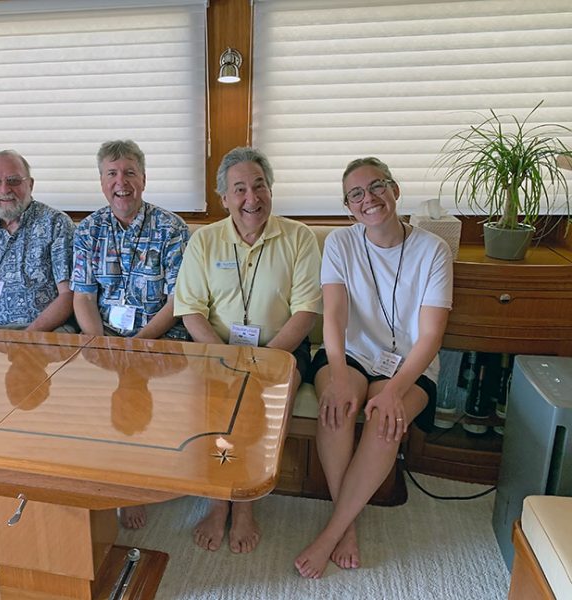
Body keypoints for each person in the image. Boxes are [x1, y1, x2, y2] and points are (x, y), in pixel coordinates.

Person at [294, 157, 453, 578]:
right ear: (349, 207)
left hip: (409, 363)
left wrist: (393, 390)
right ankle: (345, 524)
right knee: (337, 407)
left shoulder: (433, 250)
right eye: (357, 194)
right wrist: (339, 375)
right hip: (351, 353)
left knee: (386, 418)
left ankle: (333, 531)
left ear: (395, 190)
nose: (370, 199)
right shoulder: (340, 244)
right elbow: (334, 317)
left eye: (378, 186)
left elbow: (431, 336)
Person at [174, 146, 322, 554]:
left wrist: (262, 360)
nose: (251, 198)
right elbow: (191, 311)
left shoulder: (299, 238)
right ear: (224, 198)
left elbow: (306, 311)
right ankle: (219, 499)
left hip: (283, 350)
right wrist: (228, 359)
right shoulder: (204, 241)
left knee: (264, 400)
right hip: (215, 349)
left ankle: (244, 505)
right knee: (213, 403)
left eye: (259, 186)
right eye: (239, 189)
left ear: (271, 190)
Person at [71, 139, 190, 529]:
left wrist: (137, 345)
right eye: (111, 174)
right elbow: (83, 296)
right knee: (84, 391)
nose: (121, 182)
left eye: (129, 173)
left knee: (139, 386)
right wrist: (100, 344)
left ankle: (136, 484)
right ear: (102, 181)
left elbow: (177, 301)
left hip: (159, 337)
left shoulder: (171, 228)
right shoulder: (88, 230)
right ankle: (104, 479)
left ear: (143, 178)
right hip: (100, 336)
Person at [0, 150, 75, 331]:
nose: (4, 190)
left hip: (45, 331)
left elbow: (68, 295)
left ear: (30, 184)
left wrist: (27, 336)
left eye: (13, 181)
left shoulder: (55, 223)